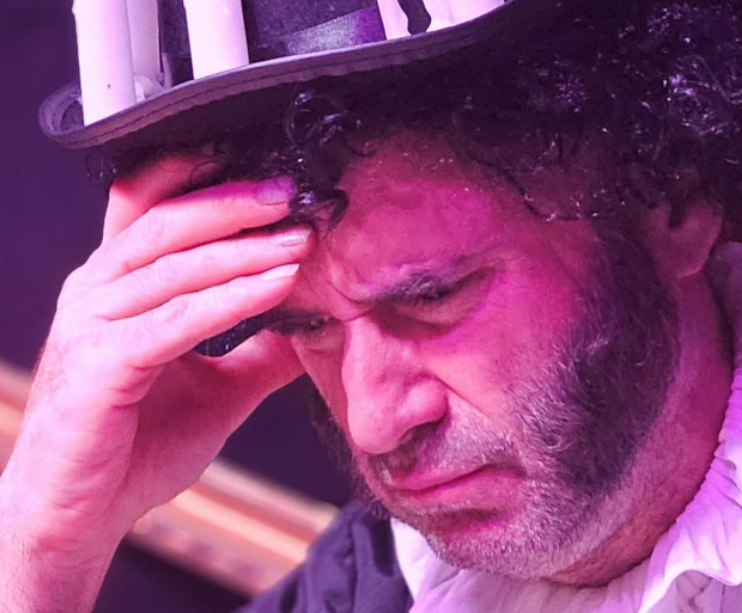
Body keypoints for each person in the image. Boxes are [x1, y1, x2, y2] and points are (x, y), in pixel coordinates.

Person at [4, 0, 742, 611]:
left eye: (433, 296)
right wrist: (44, 543)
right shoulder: (365, 585)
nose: (374, 421)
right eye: (310, 327)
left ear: (672, 201)